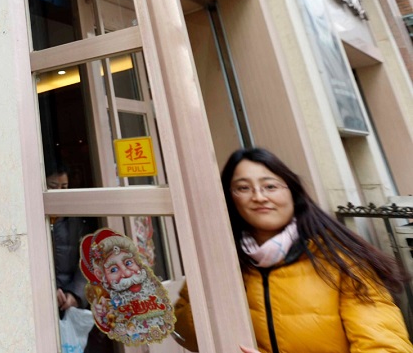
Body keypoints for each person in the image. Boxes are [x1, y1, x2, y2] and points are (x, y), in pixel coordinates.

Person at [173, 147, 413, 353]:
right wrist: (217, 278)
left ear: (292, 192)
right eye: (243, 188)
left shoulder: (341, 258)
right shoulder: (221, 260)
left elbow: (385, 346)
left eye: (270, 186)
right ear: (230, 199)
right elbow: (185, 331)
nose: (259, 197)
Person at [47, 167, 94, 312]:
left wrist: (76, 295)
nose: (59, 191)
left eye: (64, 187)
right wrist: (48, 292)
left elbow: (88, 259)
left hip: (69, 303)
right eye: (53, 186)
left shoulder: (75, 220)